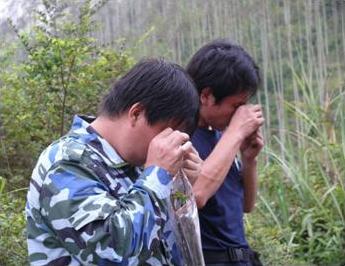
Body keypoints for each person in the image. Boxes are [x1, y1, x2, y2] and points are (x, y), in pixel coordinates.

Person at [26, 58, 201, 265]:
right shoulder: (68, 163)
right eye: (167, 133)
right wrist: (158, 176)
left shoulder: (135, 164)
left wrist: (178, 189)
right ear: (136, 113)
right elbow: (112, 251)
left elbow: (164, 248)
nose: (170, 144)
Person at [186, 40, 265, 266]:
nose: (239, 113)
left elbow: (245, 206)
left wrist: (249, 160)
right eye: (235, 105)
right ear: (206, 96)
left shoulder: (220, 138)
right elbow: (197, 195)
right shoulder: (182, 136)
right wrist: (236, 132)